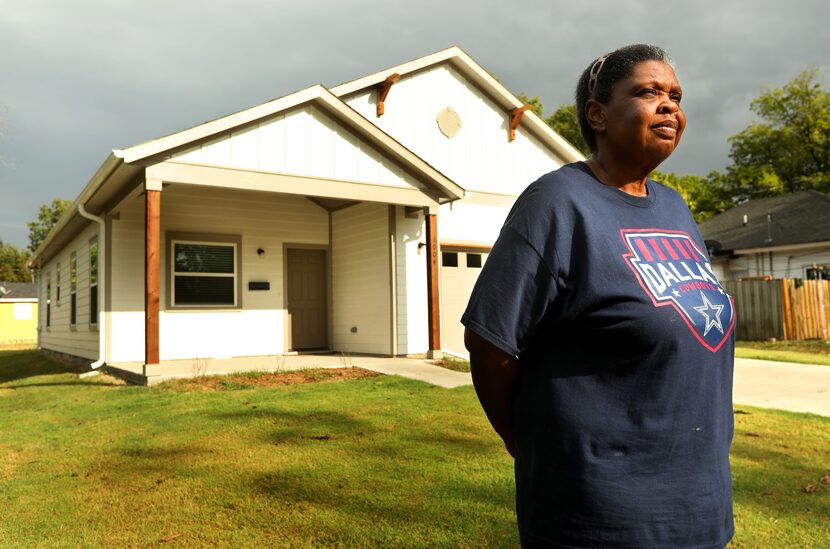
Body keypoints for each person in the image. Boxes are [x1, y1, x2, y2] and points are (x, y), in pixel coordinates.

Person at [462, 44, 736, 548]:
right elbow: (491, 341)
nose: (670, 105)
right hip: (600, 516)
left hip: (699, 508)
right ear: (598, 114)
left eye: (675, 95)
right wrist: (526, 441)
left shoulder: (674, 207)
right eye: (648, 92)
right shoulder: (558, 204)